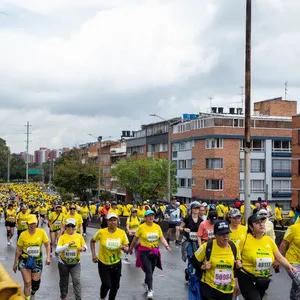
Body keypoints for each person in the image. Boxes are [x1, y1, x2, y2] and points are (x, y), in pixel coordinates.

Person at [237, 214, 296, 300]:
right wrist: (238, 261)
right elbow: (235, 255)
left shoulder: (269, 240)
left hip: (263, 279)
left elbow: (279, 257)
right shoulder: (244, 240)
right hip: (247, 277)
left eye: (262, 222)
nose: (261, 224)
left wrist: (289, 266)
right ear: (251, 227)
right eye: (257, 223)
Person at [193, 220, 242, 300]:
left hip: (227, 290)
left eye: (227, 233)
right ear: (215, 235)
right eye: (222, 234)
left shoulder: (234, 247)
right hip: (210, 288)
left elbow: (237, 266)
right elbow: (193, 260)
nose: (225, 236)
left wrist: (239, 265)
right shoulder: (207, 246)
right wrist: (202, 267)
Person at [129, 210, 171, 299]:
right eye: (149, 216)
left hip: (154, 252)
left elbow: (162, 238)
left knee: (151, 271)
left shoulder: (157, 227)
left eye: (152, 216)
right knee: (148, 269)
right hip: (144, 251)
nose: (151, 217)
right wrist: (131, 248)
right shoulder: (141, 227)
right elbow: (135, 240)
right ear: (145, 218)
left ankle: (145, 282)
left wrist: (167, 246)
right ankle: (150, 290)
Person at [90, 213, 129, 300]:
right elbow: (92, 241)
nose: (113, 222)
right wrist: (93, 255)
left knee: (115, 286)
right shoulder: (101, 232)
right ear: (107, 222)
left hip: (116, 263)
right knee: (106, 284)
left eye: (114, 220)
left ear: (117, 221)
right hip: (103, 262)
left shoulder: (122, 233)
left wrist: (124, 248)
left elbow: (126, 247)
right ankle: (102, 297)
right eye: (110, 220)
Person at [13, 214, 51, 300]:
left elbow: (47, 245)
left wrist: (48, 257)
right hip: (24, 260)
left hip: (37, 260)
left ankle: (33, 292)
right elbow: (18, 249)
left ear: (37, 223)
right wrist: (15, 263)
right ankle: (27, 298)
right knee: (27, 282)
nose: (32, 225)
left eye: (34, 223)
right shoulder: (23, 235)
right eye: (30, 223)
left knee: (35, 284)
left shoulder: (41, 232)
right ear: (27, 224)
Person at [56, 218, 87, 300]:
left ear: (75, 227)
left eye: (72, 226)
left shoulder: (79, 236)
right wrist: (67, 245)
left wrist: (83, 248)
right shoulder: (62, 237)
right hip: (63, 263)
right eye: (68, 226)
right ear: (65, 227)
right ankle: (63, 296)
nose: (70, 228)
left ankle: (78, 298)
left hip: (76, 263)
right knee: (64, 281)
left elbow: (85, 247)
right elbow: (57, 250)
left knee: (76, 280)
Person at [178, 201, 203, 281]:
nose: (196, 210)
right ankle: (191, 276)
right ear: (191, 209)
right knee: (191, 257)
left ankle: (188, 271)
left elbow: (203, 231)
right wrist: (185, 229)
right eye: (195, 208)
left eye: (198, 208)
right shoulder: (187, 218)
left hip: (197, 242)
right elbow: (179, 228)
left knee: (196, 259)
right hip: (188, 241)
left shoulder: (201, 220)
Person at [278, 220, 300, 300]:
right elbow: (284, 243)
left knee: (296, 286)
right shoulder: (293, 228)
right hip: (292, 262)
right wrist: (278, 259)